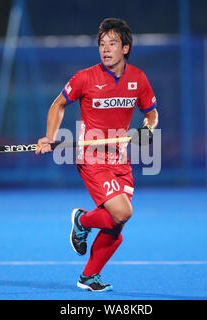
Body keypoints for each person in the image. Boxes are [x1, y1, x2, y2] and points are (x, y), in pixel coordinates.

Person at [36, 18, 158, 291]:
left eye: (112, 43)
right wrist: (50, 137)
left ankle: (88, 277)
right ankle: (81, 220)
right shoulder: (85, 78)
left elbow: (151, 114)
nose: (106, 49)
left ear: (125, 48)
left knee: (115, 227)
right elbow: (58, 105)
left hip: (120, 159)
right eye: (102, 44)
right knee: (122, 212)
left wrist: (147, 129)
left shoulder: (138, 79)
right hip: (91, 157)